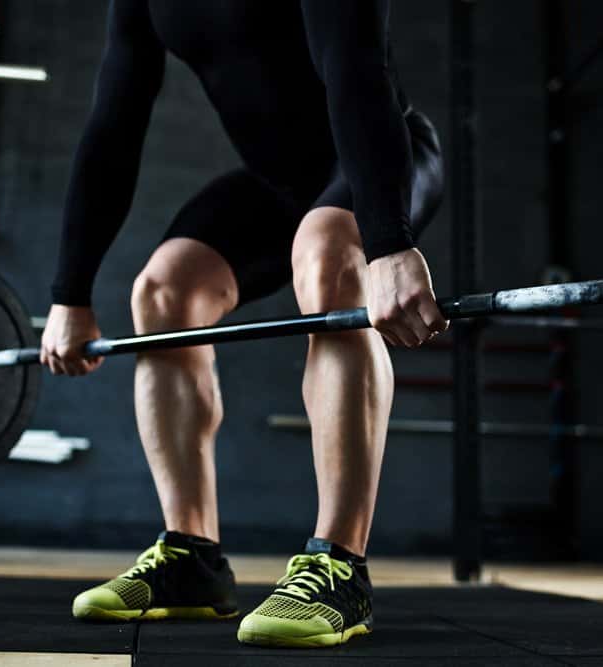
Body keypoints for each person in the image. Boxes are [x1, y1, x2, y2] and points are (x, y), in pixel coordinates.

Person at [41, 0, 446, 648]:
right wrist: (71, 293)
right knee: (164, 289)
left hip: (379, 155)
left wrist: (389, 243)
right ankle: (192, 559)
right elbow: (114, 124)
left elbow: (354, 69)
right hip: (277, 182)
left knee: (327, 256)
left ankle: (340, 562)